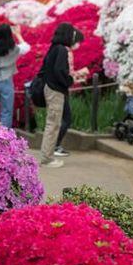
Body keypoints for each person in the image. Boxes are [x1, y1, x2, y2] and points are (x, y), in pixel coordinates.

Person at [39, 23, 86, 168]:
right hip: (56, 90)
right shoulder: (61, 50)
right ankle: (47, 158)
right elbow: (60, 71)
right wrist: (69, 81)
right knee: (53, 124)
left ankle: (47, 156)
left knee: (52, 123)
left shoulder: (54, 48)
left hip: (50, 88)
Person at [0, 23, 30, 127]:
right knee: (7, 111)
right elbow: (26, 47)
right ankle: (5, 134)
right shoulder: (15, 49)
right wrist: (18, 34)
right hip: (6, 80)